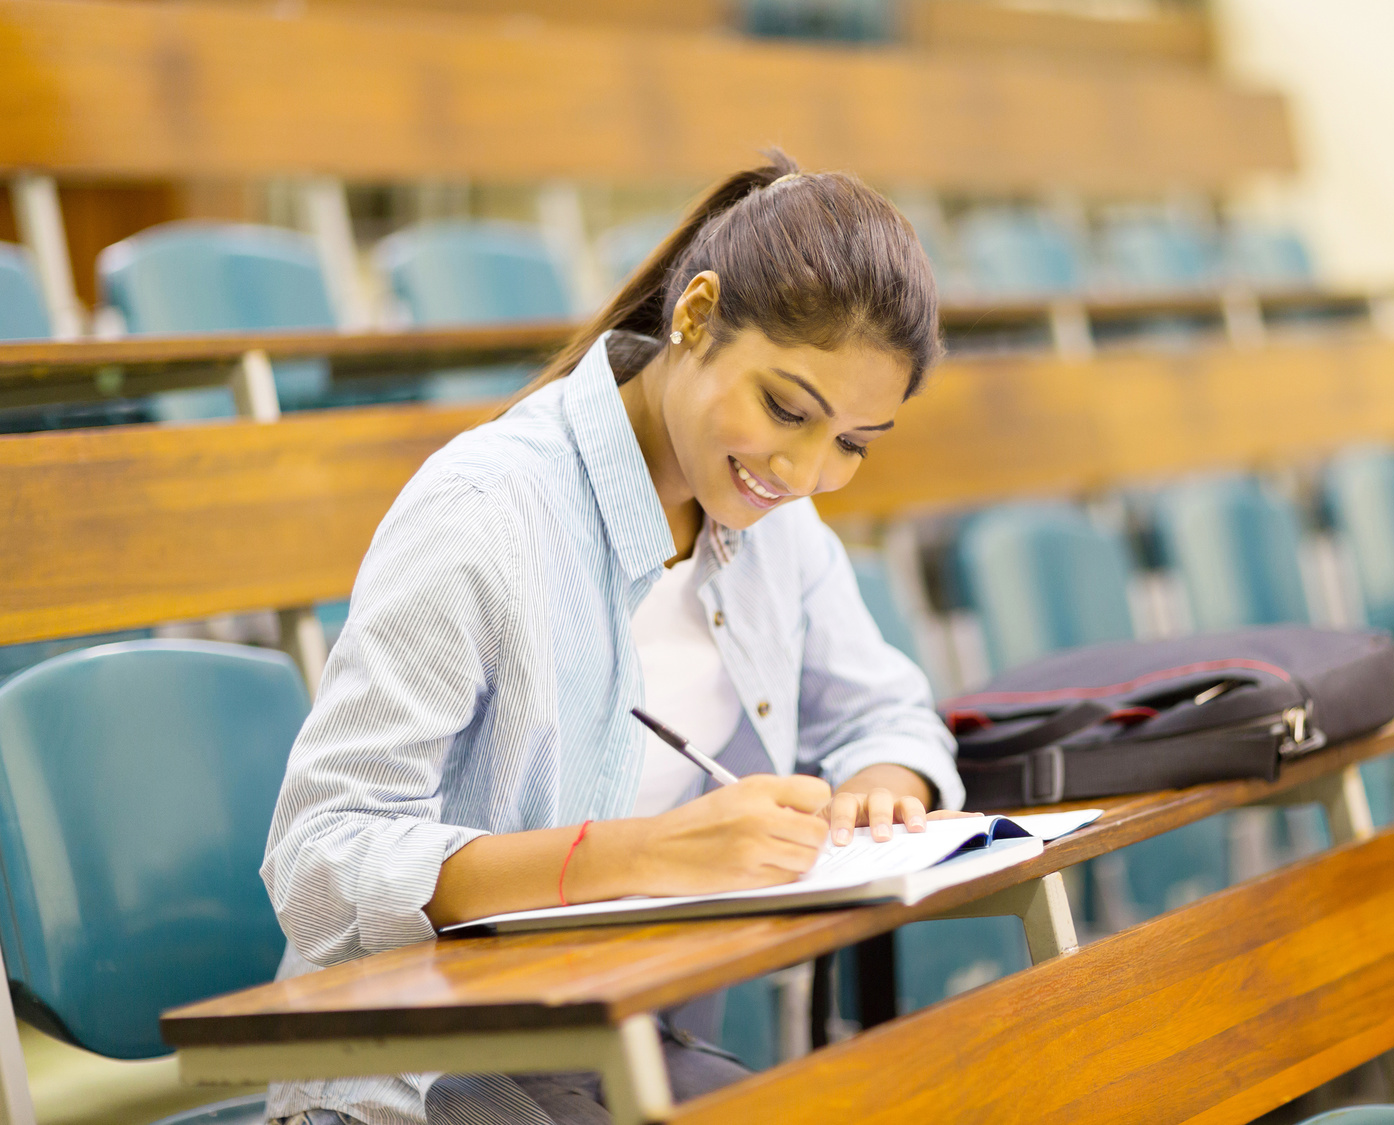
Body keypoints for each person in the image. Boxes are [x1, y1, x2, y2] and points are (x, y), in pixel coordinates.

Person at [261, 150, 964, 1125]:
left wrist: (885, 791)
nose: (803, 471)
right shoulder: (488, 510)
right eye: (785, 409)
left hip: (622, 1049)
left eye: (850, 442)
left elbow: (883, 709)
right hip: (419, 1080)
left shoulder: (771, 517)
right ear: (694, 316)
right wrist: (642, 855)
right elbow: (319, 855)